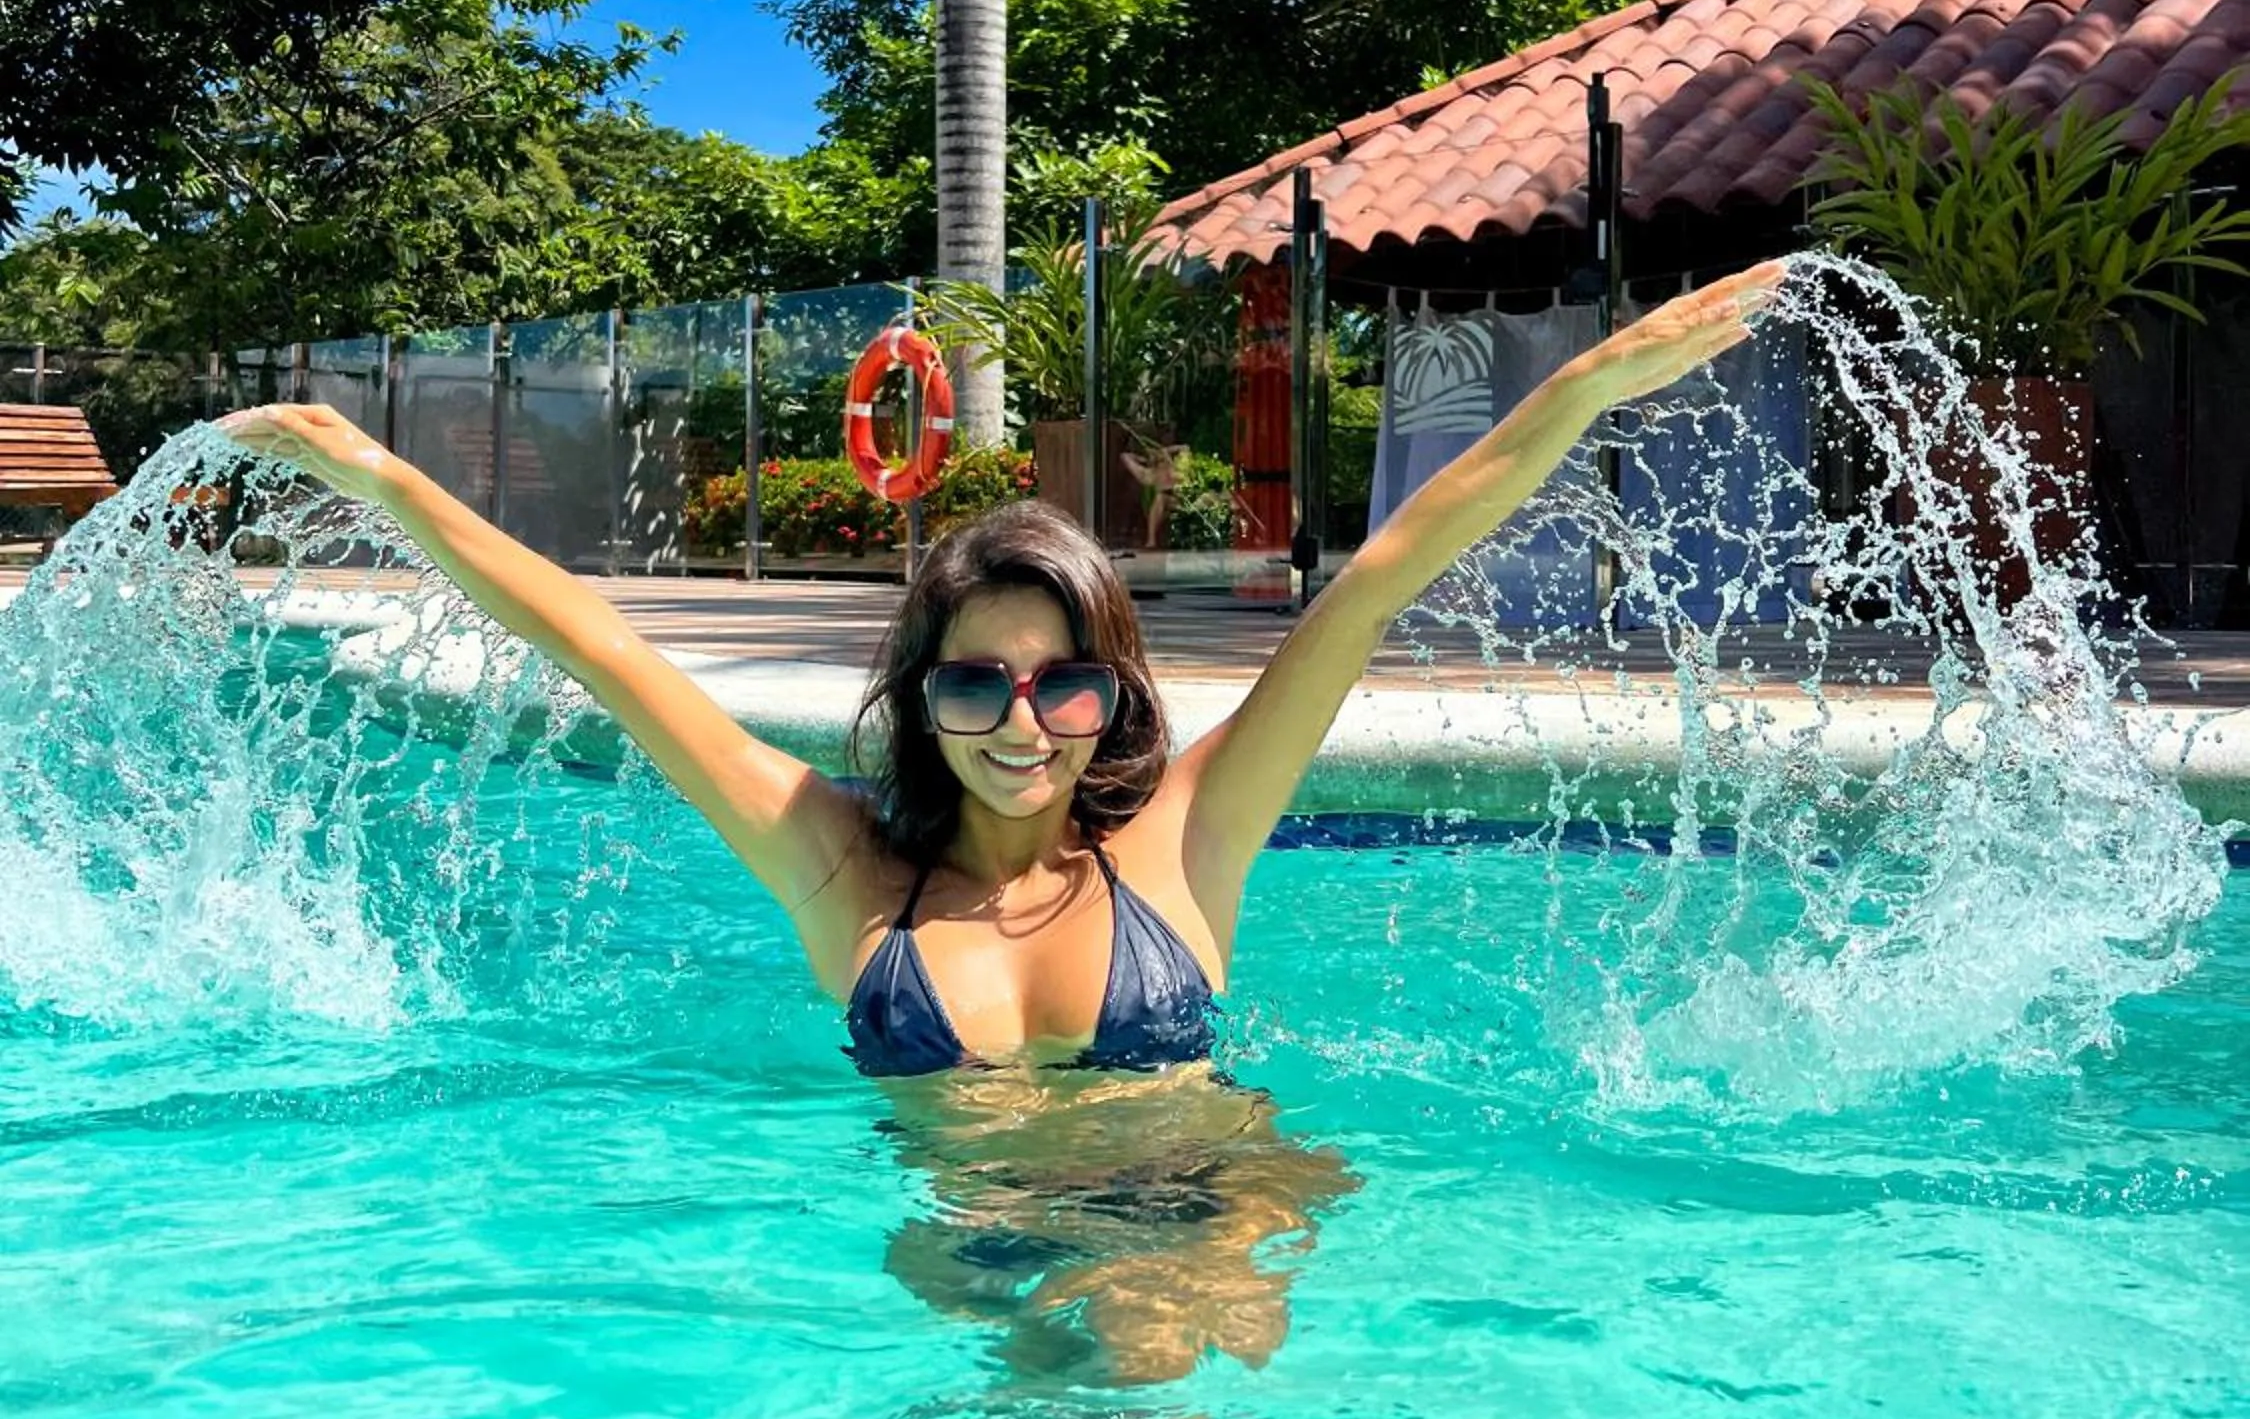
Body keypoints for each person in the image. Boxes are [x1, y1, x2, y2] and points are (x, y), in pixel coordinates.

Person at [223, 262, 1780, 1079]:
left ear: (1112, 693)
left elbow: (1372, 585)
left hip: (1196, 1203)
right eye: (973, 685)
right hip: (971, 1246)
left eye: (1061, 683)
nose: (1020, 724)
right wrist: (383, 481)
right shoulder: (840, 869)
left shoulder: (1184, 835)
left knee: (1157, 1407)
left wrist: (1585, 388)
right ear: (919, 700)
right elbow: (607, 650)